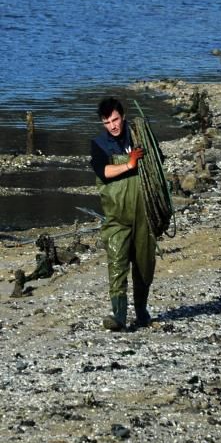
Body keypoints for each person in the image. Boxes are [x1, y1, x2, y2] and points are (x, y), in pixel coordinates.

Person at [91, 97, 157, 331]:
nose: (113, 125)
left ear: (123, 116)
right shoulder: (99, 145)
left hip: (144, 215)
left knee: (143, 265)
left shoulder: (138, 136)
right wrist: (129, 165)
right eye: (107, 122)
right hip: (117, 217)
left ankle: (141, 312)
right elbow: (103, 171)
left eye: (116, 119)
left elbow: (157, 166)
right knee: (116, 262)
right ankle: (118, 316)